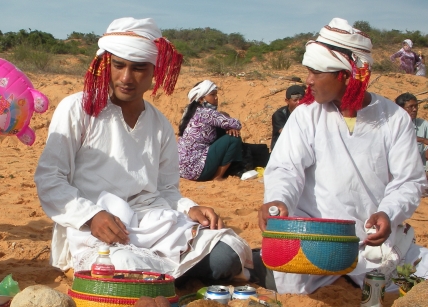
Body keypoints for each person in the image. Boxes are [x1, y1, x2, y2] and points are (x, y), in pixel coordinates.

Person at [34, 17, 259, 286]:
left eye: (139, 68)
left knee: (228, 252)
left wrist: (190, 208)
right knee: (123, 266)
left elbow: (166, 191)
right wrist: (91, 216)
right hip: (93, 226)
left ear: (154, 71)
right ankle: (163, 278)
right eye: (118, 66)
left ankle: (160, 278)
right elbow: (50, 178)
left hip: (150, 220)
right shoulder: (76, 109)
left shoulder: (159, 123)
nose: (126, 78)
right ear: (106, 65)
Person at [261, 18, 428, 295]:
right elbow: (285, 169)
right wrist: (277, 200)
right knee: (293, 284)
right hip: (317, 242)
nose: (308, 80)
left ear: (343, 75)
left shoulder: (394, 118)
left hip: (375, 244)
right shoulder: (305, 116)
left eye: (317, 73)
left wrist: (388, 213)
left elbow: (408, 181)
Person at [178, 80, 244, 181]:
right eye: (212, 95)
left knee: (223, 130)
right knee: (233, 138)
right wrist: (226, 118)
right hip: (196, 170)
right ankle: (218, 176)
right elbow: (237, 124)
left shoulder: (189, 111)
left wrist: (226, 125)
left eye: (216, 94)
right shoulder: (207, 113)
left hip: (182, 170)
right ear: (201, 99)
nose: (216, 98)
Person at [270, 85, 305, 151]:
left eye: (301, 99)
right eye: (295, 100)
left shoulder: (307, 113)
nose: (298, 102)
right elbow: (287, 134)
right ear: (287, 101)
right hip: (282, 150)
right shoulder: (279, 114)